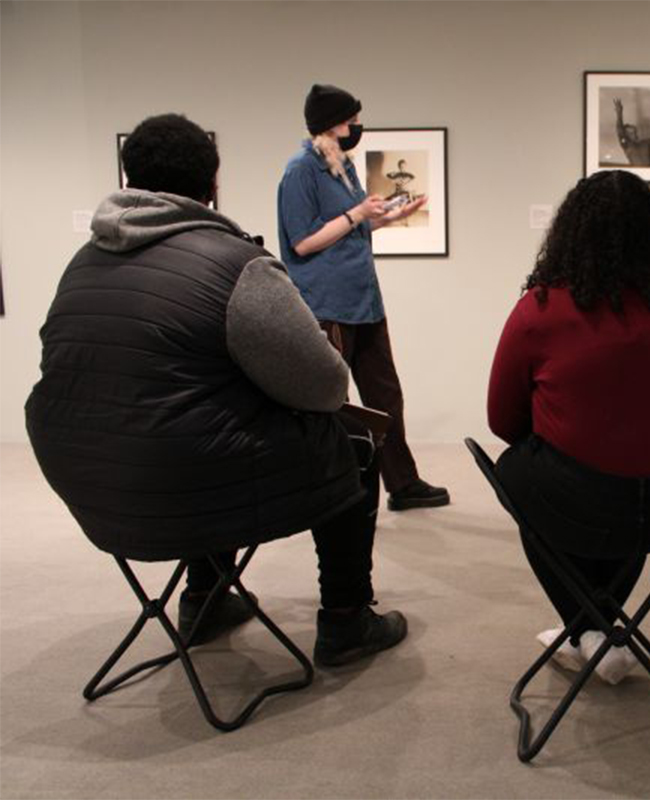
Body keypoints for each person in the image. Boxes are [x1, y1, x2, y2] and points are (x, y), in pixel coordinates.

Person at [25, 113, 407, 668]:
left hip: (85, 480)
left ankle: (204, 599)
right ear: (213, 183)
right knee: (351, 441)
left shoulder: (82, 262)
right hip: (179, 483)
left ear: (129, 178)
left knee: (201, 420)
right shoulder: (235, 264)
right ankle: (347, 621)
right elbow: (325, 384)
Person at [487, 170, 650, 685]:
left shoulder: (539, 310)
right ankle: (598, 629)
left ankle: (586, 630)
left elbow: (502, 421)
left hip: (579, 503)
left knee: (527, 477)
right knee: (626, 493)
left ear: (569, 233)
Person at [277, 83, 449, 513]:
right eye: (352, 120)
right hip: (327, 304)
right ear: (332, 123)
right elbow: (302, 242)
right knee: (333, 401)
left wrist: (390, 218)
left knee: (385, 394)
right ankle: (332, 488)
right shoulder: (301, 170)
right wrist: (357, 214)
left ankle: (403, 484)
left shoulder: (341, 165)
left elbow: (350, 228)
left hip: (363, 300)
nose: (357, 127)